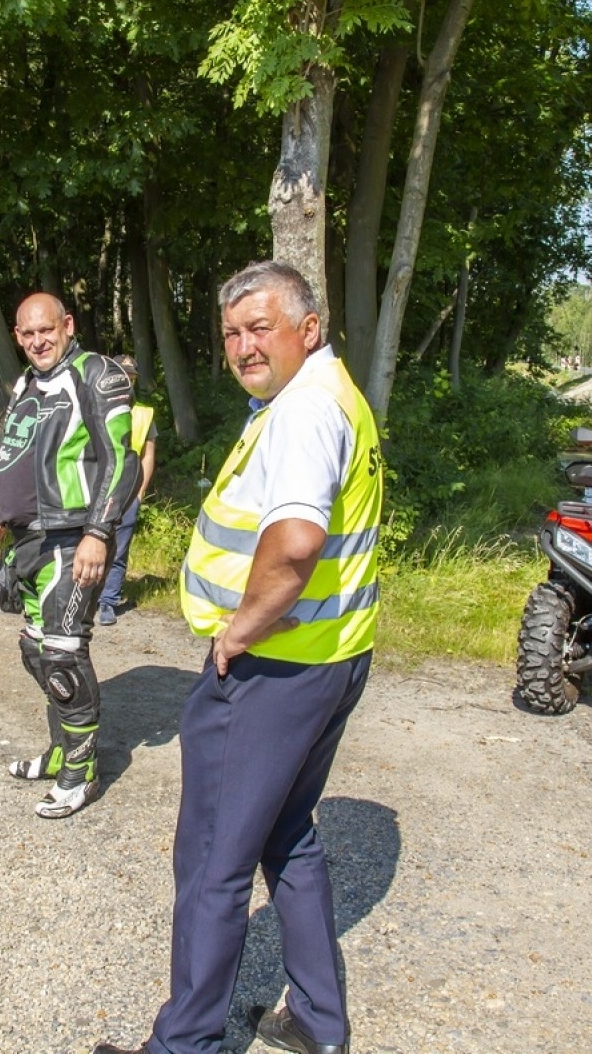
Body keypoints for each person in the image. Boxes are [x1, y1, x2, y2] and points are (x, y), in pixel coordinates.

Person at [94, 263, 381, 1054]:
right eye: (231, 332)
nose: (243, 345)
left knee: (213, 861)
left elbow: (293, 546)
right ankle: (318, 1022)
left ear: (308, 328)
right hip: (330, 658)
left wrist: (238, 631)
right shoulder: (328, 395)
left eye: (261, 327)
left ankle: (184, 1044)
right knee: (288, 833)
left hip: (273, 669)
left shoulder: (304, 412)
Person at [0, 293, 137, 819]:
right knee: (36, 652)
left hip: (73, 538)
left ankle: (81, 771)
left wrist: (98, 531)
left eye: (46, 330)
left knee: (64, 657)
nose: (38, 341)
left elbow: (121, 460)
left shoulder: (97, 374)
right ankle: (60, 751)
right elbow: (18, 455)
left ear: (67, 326)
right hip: (28, 540)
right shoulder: (27, 383)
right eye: (27, 334)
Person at [98, 355, 157, 626]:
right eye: (123, 375)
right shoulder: (95, 405)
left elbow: (148, 455)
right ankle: (85, 596)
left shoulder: (144, 413)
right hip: (97, 491)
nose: (127, 380)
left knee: (119, 550)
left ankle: (108, 602)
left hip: (129, 492)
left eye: (131, 376)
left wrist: (141, 492)